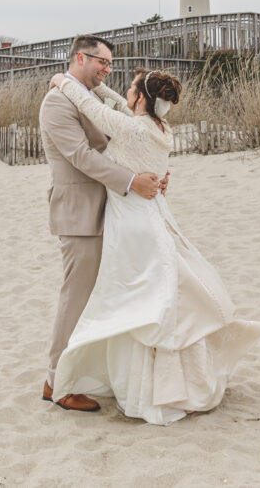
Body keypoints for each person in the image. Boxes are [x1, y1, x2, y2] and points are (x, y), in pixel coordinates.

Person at [49, 66, 260, 425]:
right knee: (156, 293)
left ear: (140, 98)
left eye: (131, 88)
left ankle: (146, 385)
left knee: (138, 299)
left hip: (132, 222)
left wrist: (63, 81)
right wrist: (104, 88)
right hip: (152, 215)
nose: (125, 91)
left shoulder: (131, 128)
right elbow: (117, 104)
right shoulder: (159, 127)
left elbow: (92, 109)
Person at [38, 35, 167, 413]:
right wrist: (131, 181)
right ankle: (56, 383)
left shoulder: (92, 97)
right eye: (103, 62)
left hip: (112, 210)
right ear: (80, 58)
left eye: (110, 64)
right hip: (80, 213)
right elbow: (81, 156)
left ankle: (90, 373)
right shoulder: (57, 102)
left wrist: (153, 174)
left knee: (104, 297)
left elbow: (125, 141)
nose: (108, 69)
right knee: (75, 298)